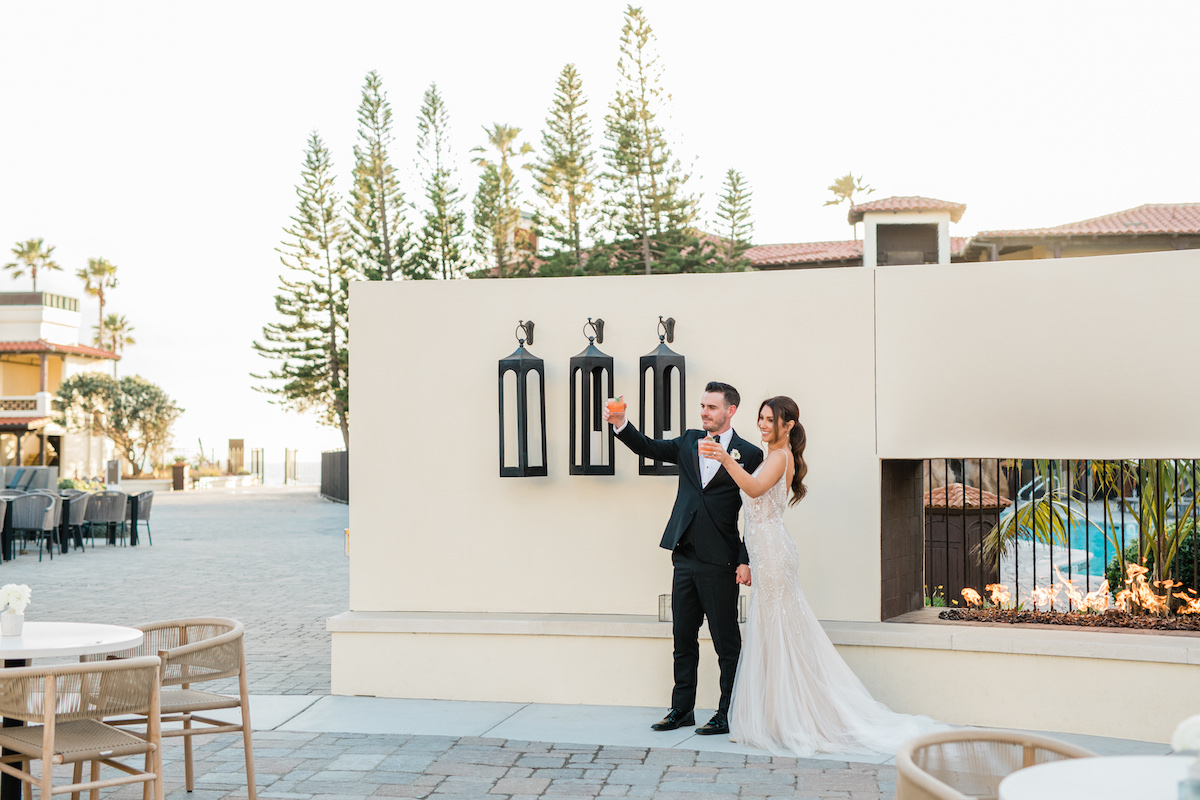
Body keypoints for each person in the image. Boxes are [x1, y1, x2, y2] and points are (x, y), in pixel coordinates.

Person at [700, 396, 944, 756]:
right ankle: (777, 716)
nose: (763, 425)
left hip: (773, 552)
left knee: (781, 630)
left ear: (789, 426)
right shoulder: (774, 456)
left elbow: (752, 490)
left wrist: (724, 459)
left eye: (771, 420)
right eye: (761, 418)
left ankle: (791, 717)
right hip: (764, 552)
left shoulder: (780, 457)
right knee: (773, 631)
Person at [603, 381, 764, 736]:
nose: (704, 412)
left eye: (711, 407)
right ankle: (681, 709)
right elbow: (649, 446)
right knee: (682, 637)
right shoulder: (689, 440)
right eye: (703, 406)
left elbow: (755, 512)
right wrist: (621, 424)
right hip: (685, 555)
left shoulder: (749, 454)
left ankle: (727, 711)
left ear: (730, 411)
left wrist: (744, 558)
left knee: (726, 643)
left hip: (721, 560)